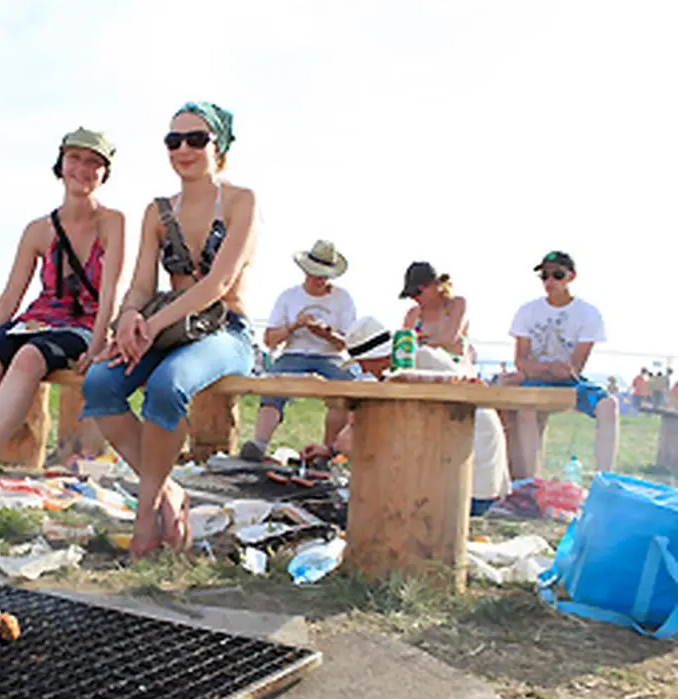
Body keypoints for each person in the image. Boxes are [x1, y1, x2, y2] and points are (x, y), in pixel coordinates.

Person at [0, 128, 124, 533]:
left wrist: (98, 345)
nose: (82, 170)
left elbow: (111, 294)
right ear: (61, 164)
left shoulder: (113, 223)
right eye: (75, 159)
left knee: (30, 359)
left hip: (81, 323)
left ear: (105, 172)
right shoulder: (38, 230)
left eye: (93, 163)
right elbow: (10, 296)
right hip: (39, 317)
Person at [82, 102, 256, 558]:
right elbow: (141, 285)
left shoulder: (242, 201)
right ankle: (167, 493)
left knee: (166, 386)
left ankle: (144, 513)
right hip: (165, 330)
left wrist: (151, 324)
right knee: (100, 384)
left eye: (196, 139)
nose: (184, 149)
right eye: (174, 140)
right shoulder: (158, 212)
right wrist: (128, 322)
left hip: (224, 330)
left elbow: (218, 284)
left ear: (218, 146)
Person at [303, 316, 510, 515]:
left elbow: (350, 441)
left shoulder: (415, 366)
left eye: (364, 362)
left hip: (466, 493)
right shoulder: (416, 363)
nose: (364, 368)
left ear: (377, 356)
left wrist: (336, 448)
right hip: (478, 487)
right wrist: (330, 450)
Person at [500, 250, 617, 479]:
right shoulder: (527, 311)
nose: (550, 281)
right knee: (526, 406)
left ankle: (604, 480)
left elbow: (574, 369)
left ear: (571, 277)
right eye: (544, 276)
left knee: (608, 405)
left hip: (567, 382)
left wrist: (540, 370)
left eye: (557, 275)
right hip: (535, 381)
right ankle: (530, 481)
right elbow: (520, 360)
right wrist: (546, 369)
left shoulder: (588, 314)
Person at [239, 239, 356, 462]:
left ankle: (328, 452)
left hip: (329, 357)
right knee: (274, 384)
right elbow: (270, 340)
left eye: (323, 275)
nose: (319, 280)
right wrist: (296, 326)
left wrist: (326, 333)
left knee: (345, 389)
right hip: (293, 354)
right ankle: (259, 445)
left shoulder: (343, 299)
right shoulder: (288, 296)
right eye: (315, 274)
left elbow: (347, 344)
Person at [399, 261, 471, 363]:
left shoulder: (456, 304)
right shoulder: (412, 314)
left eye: (417, 292)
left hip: (454, 373)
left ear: (436, 285)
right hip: (422, 374)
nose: (415, 297)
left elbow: (449, 339)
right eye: (410, 294)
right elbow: (403, 348)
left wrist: (419, 343)